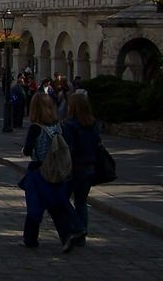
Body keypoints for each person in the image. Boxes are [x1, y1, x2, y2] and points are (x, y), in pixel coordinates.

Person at [19, 93, 85, 252]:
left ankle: (30, 239)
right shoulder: (57, 126)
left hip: (39, 171)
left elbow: (28, 150)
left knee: (35, 206)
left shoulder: (35, 128)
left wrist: (25, 149)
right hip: (56, 171)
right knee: (57, 204)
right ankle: (70, 233)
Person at [62, 94, 100, 244]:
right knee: (81, 202)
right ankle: (81, 237)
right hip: (90, 167)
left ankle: (78, 228)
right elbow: (97, 144)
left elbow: (68, 149)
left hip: (75, 168)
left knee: (62, 200)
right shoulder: (93, 124)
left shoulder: (70, 125)